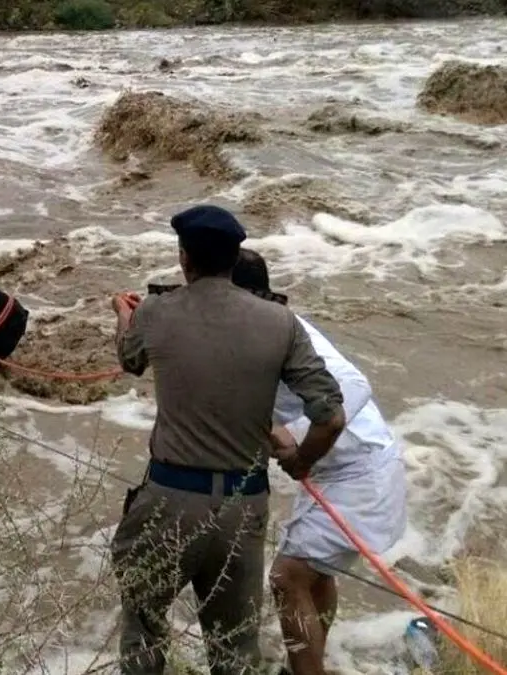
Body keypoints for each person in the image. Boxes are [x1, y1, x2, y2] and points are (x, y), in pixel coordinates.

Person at [109, 204, 347, 675]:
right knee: (234, 651)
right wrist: (300, 460)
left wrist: (122, 314)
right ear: (234, 256)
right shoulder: (281, 323)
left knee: (144, 639)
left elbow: (129, 359)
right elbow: (331, 416)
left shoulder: (156, 311)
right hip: (243, 508)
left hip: (168, 502)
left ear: (184, 257)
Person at [232, 249, 408, 675]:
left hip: (359, 471)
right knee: (314, 575)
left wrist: (303, 453)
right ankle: (311, 664)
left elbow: (352, 386)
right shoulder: (248, 329)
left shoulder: (288, 333)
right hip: (339, 469)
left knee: (287, 577)